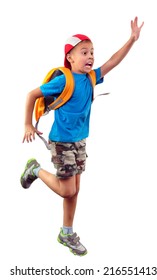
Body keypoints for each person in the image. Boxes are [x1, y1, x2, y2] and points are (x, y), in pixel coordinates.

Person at [20, 17, 144, 256]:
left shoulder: (91, 78)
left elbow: (113, 62)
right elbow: (31, 94)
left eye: (92, 52)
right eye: (84, 52)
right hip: (62, 141)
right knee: (67, 190)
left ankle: (66, 232)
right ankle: (34, 170)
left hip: (79, 141)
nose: (90, 57)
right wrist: (27, 124)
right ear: (70, 57)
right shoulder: (62, 81)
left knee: (74, 190)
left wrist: (132, 40)